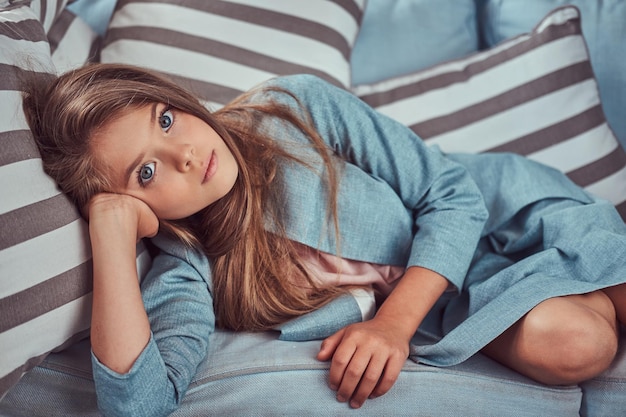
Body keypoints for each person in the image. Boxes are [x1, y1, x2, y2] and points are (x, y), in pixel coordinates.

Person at [23, 63, 626, 416]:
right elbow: (140, 404)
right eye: (146, 173)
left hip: (497, 216)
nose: (185, 152)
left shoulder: (293, 108)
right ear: (134, 206)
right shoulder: (189, 269)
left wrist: (391, 327)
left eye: (164, 119)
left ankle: (585, 281)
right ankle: (577, 297)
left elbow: (452, 195)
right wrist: (109, 233)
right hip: (457, 298)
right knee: (577, 345)